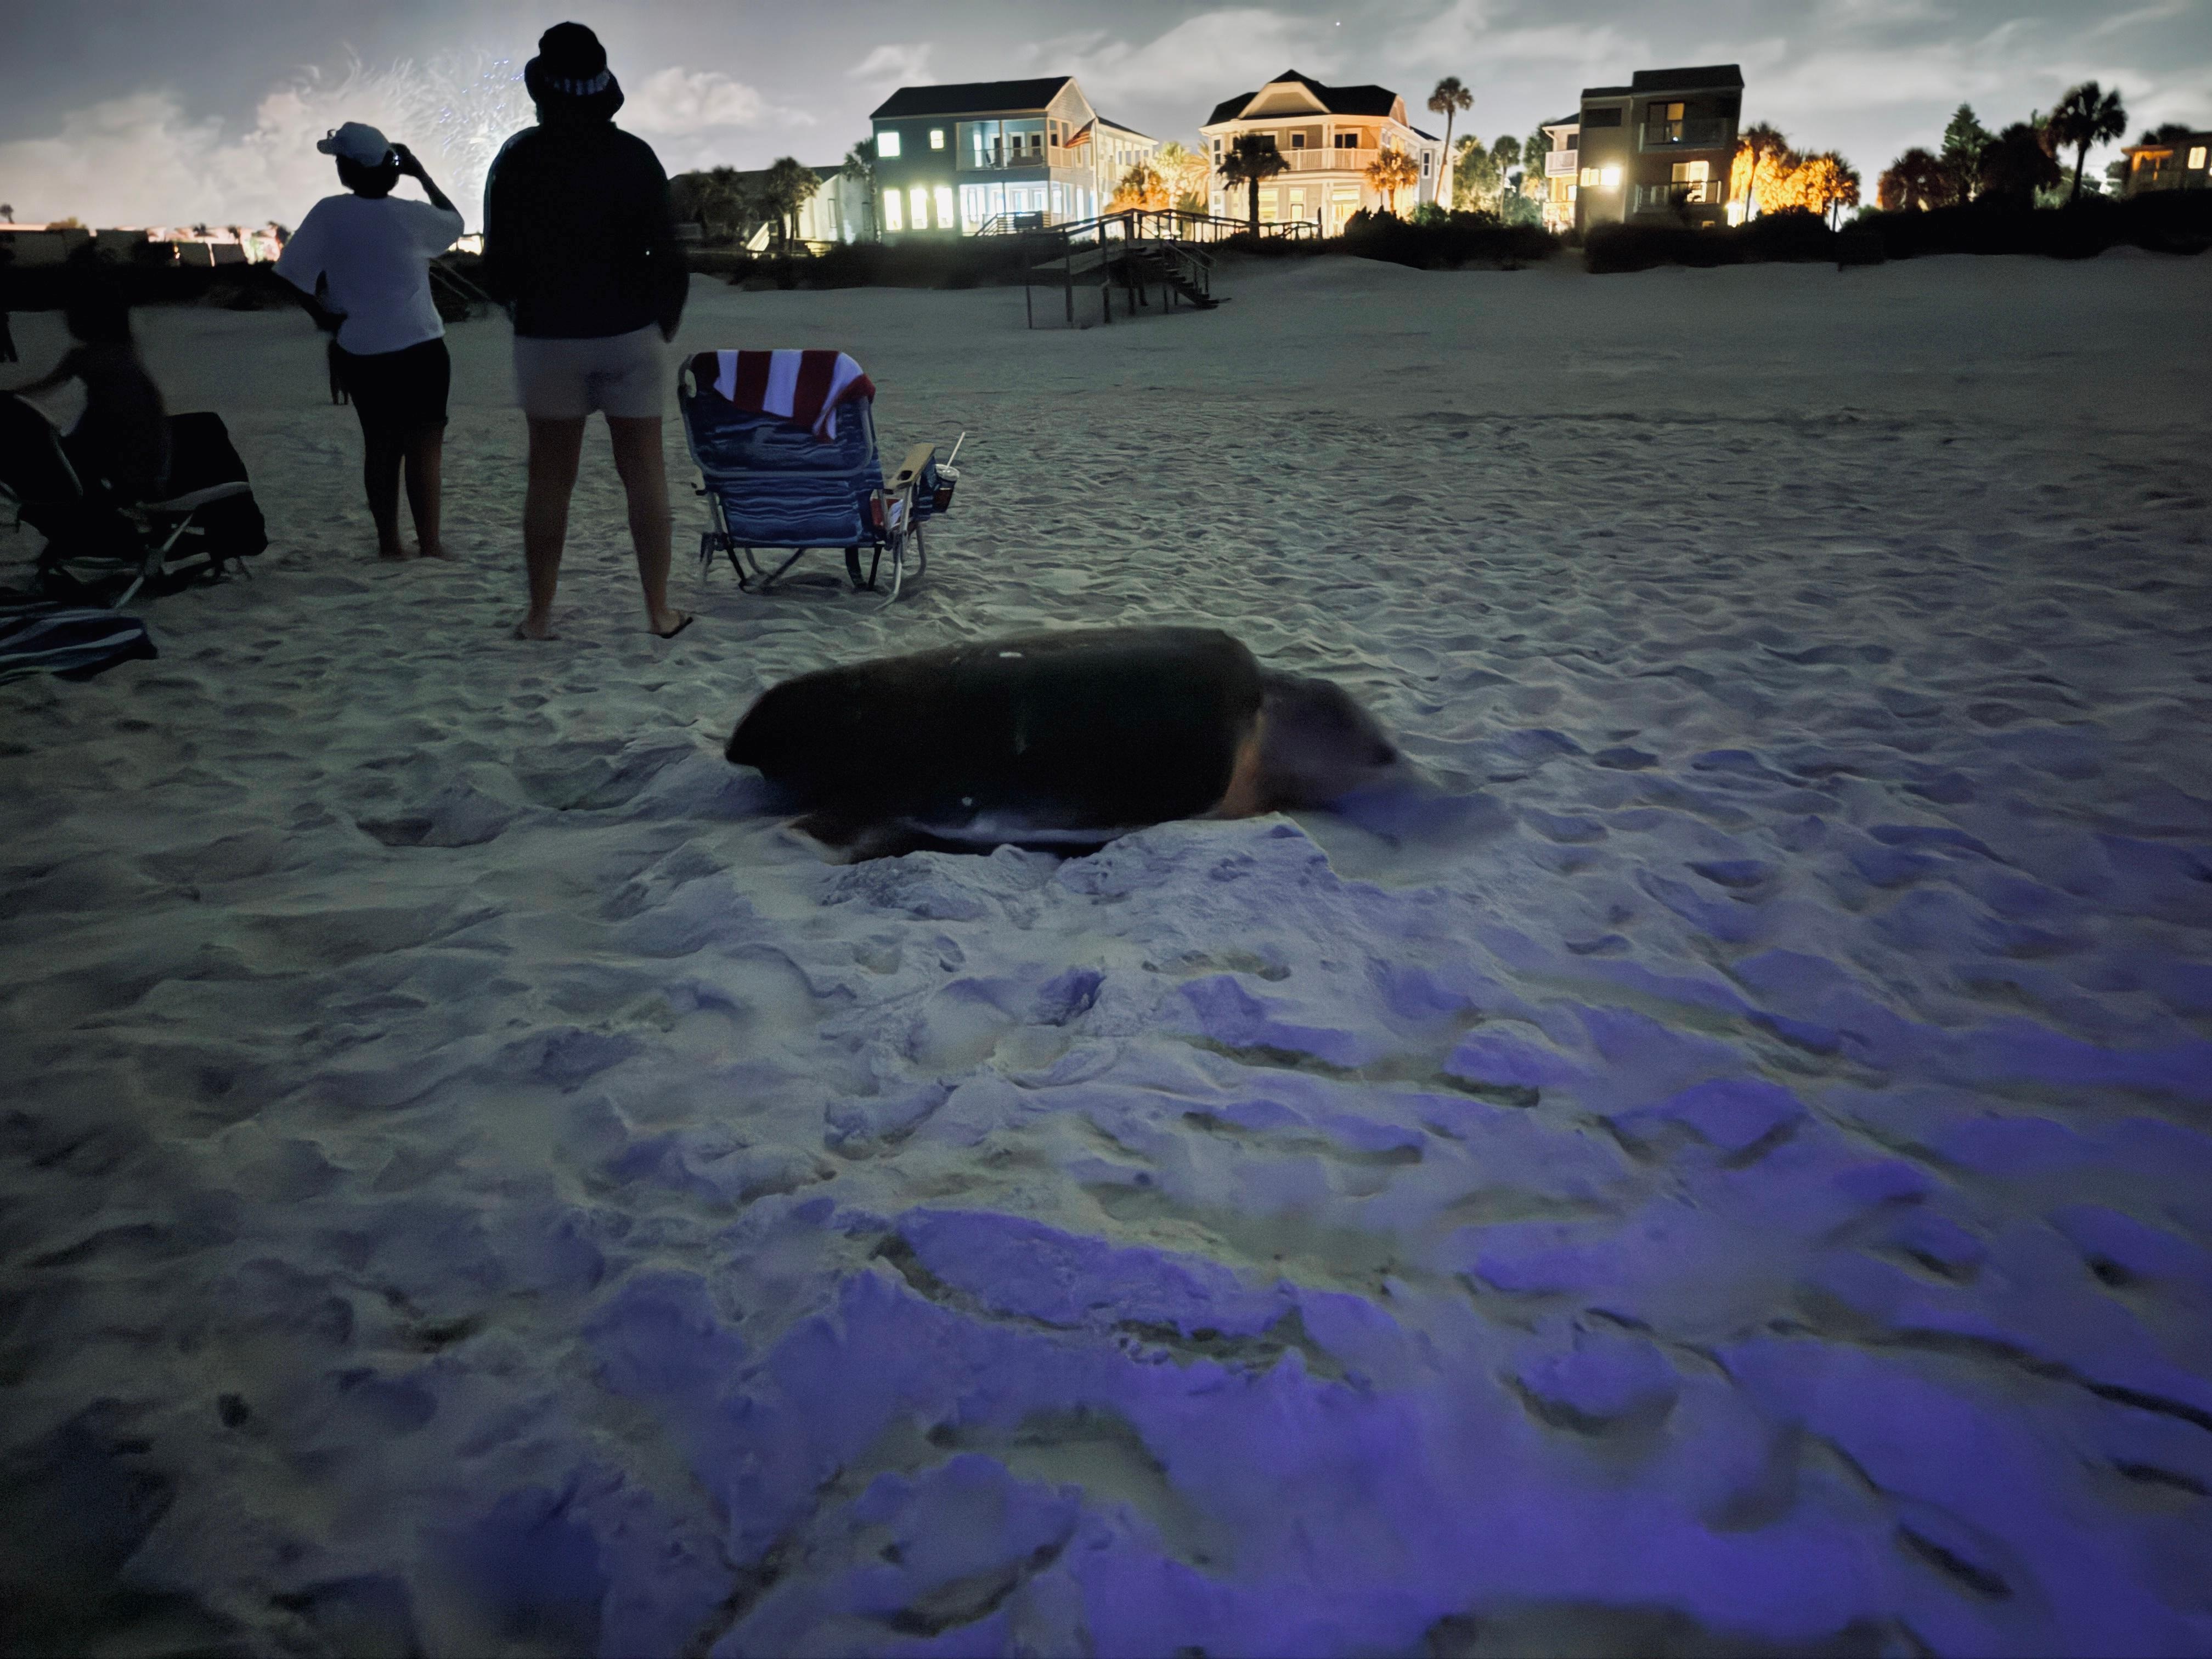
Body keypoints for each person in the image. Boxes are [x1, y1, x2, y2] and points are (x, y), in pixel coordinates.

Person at [483, 21, 691, 640]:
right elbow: (669, 254)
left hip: (549, 335)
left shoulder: (519, 159)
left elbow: (498, 264)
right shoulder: (635, 156)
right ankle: (658, 609)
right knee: (645, 472)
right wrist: (663, 319)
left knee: (550, 476)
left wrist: (519, 304)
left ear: (542, 92)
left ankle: (540, 613)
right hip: (628, 330)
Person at [277, 122, 464, 560]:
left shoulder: (329, 213)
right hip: (422, 344)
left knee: (381, 445)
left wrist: (324, 318)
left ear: (345, 171)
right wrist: (421, 174)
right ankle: (431, 543)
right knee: (425, 446)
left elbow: (289, 275)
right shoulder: (411, 215)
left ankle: (389, 544)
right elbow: (454, 222)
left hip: (362, 347)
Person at [2, 279, 169, 503]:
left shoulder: (86, 357)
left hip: (111, 424)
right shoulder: (123, 349)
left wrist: (12, 394)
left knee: (74, 460)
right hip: (141, 421)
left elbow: (47, 385)